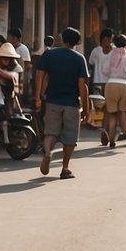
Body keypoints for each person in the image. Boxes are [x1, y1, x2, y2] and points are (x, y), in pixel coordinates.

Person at [34, 27, 91, 179]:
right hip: (72, 103)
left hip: (52, 101)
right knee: (70, 138)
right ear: (77, 42)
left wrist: (38, 97)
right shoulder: (79, 58)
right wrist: (86, 108)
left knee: (50, 132)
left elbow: (39, 75)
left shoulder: (50, 54)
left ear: (62, 38)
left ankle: (47, 152)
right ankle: (65, 168)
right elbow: (82, 85)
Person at [102, 34, 126, 147]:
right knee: (124, 110)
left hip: (111, 83)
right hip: (125, 84)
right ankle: (125, 131)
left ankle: (111, 139)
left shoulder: (110, 56)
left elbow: (105, 70)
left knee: (112, 114)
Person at [88, 28, 115, 143]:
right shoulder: (96, 51)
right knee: (102, 108)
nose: (110, 41)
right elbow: (91, 65)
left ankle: (106, 130)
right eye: (109, 39)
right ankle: (106, 130)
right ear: (104, 39)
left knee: (108, 109)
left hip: (109, 83)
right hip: (99, 83)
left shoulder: (114, 51)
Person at [0, 41, 25, 115]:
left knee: (8, 114)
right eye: (3, 58)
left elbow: (12, 76)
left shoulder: (17, 68)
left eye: (8, 58)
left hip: (10, 97)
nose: (5, 60)